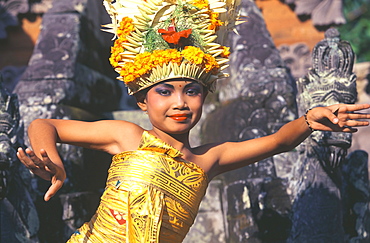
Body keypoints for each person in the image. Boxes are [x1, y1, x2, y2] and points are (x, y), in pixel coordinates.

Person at [16, 0, 370, 242]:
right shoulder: (127, 137)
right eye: (165, 91)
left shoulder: (208, 161)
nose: (180, 102)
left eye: (192, 91)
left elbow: (278, 141)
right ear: (141, 100)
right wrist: (52, 160)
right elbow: (43, 125)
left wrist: (310, 119)